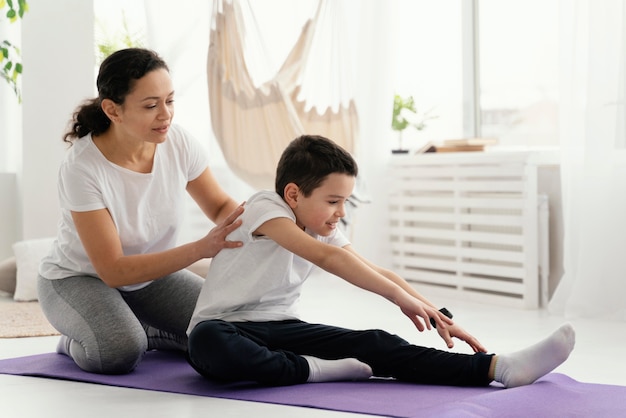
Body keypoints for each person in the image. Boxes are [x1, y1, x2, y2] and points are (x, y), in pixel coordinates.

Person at [186, 134, 575, 388]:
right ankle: (317, 370)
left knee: (376, 341)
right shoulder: (263, 208)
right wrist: (396, 298)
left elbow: (376, 270)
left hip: (280, 328)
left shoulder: (319, 224)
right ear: (293, 194)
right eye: (333, 201)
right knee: (208, 342)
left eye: (345, 202)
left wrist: (434, 312)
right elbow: (327, 258)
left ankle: (497, 368)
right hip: (224, 329)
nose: (340, 212)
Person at [37, 48, 244, 375]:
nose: (166, 115)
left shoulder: (179, 143)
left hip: (149, 277)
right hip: (79, 279)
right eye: (151, 105)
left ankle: (143, 327)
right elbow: (114, 271)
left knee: (230, 328)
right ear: (112, 110)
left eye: (170, 101)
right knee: (119, 350)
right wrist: (202, 249)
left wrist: (265, 225)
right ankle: (78, 339)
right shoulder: (83, 168)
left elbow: (219, 206)